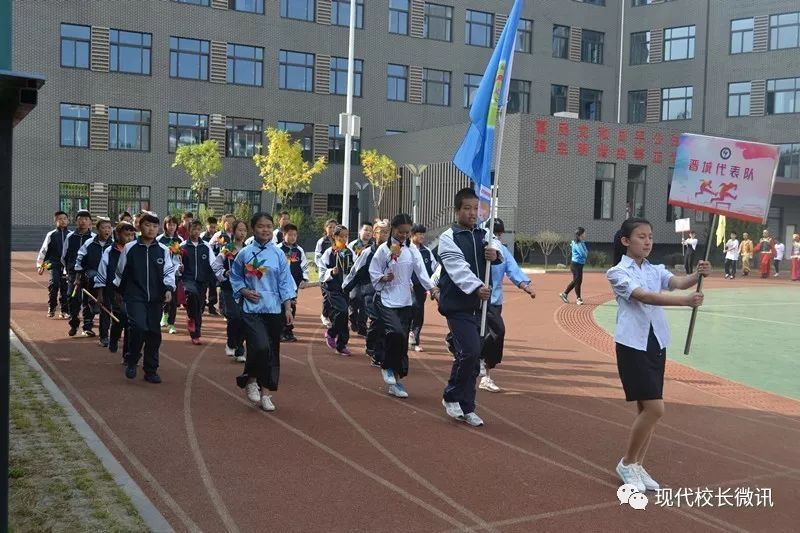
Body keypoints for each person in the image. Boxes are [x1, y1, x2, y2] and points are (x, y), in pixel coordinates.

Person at [606, 217, 710, 493]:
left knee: (646, 410)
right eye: (641, 237)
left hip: (656, 343)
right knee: (655, 409)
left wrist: (697, 275)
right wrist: (685, 302)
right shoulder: (617, 272)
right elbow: (645, 297)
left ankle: (638, 465)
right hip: (632, 346)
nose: (648, 241)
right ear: (626, 241)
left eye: (650, 236)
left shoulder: (654, 269)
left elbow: (678, 282)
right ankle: (627, 463)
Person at [437, 188, 501, 427]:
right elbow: (457, 268)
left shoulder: (484, 234)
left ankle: (467, 405)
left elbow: (497, 248)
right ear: (456, 211)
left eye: (476, 208)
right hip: (458, 305)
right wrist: (476, 287)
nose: (473, 213)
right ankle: (451, 396)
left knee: (475, 358)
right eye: (467, 208)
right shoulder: (448, 238)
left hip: (481, 307)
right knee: (470, 351)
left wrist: (495, 254)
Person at [229, 212, 296, 412]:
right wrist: (243, 291)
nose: (265, 230)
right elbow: (235, 277)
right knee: (259, 347)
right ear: (253, 228)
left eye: (268, 226)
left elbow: (285, 283)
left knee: (271, 351)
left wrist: (287, 307)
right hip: (252, 309)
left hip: (274, 309)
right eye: (260, 226)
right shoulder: (245, 253)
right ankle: (250, 380)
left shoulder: (278, 255)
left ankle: (266, 393)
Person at [368, 215, 436, 398]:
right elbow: (373, 272)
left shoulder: (413, 251)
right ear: (393, 229)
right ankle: (387, 366)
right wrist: (383, 278)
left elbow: (421, 272)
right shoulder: (383, 250)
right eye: (400, 232)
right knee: (396, 333)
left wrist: (432, 289)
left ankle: (396, 382)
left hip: (405, 300)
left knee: (402, 341)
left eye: (407, 232)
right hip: (386, 299)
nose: (404, 235)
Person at [114, 212, 177, 383]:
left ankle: (150, 370)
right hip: (135, 297)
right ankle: (132, 359)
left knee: (154, 333)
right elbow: (120, 272)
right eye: (148, 225)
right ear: (140, 227)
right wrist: (119, 292)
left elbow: (169, 273)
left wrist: (169, 289)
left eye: (155, 226)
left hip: (156, 299)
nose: (151, 229)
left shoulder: (163, 251)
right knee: (139, 327)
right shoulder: (130, 248)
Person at [479, 218, 535, 393]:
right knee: (477, 333)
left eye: (498, 234)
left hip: (494, 302)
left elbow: (512, 269)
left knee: (497, 333)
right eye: (493, 233)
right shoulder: (479, 249)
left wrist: (525, 286)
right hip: (476, 300)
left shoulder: (502, 252)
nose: (496, 237)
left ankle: (486, 372)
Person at [343, 219, 389, 367]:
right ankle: (374, 350)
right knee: (377, 319)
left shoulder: (394, 250)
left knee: (386, 323)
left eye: (386, 232)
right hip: (369, 290)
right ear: (375, 233)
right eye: (380, 231)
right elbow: (355, 271)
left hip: (388, 293)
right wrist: (345, 287)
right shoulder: (367, 252)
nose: (383, 234)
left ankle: (378, 349)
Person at [95, 221, 136, 357]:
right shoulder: (110, 251)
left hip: (132, 291)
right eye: (126, 235)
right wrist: (100, 293)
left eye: (132, 235)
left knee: (130, 321)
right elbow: (102, 272)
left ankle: (127, 354)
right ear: (117, 235)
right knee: (120, 318)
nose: (130, 238)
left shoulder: (136, 250)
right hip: (114, 291)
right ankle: (113, 337)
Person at [212, 219, 249, 362]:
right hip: (229, 289)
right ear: (233, 232)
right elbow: (216, 265)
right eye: (239, 229)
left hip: (245, 290)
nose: (242, 232)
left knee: (245, 319)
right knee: (234, 317)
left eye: (244, 230)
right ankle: (231, 343)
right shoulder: (227, 248)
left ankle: (239, 350)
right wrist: (224, 274)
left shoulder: (249, 250)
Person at [75, 218, 114, 346]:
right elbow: (80, 259)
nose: (107, 230)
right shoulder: (89, 243)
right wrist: (77, 277)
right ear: (98, 229)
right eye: (104, 227)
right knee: (93, 276)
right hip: (91, 272)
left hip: (108, 278)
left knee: (108, 307)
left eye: (109, 227)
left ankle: (108, 335)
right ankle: (93, 302)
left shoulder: (113, 245)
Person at [319, 226, 356, 355]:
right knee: (342, 310)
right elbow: (322, 270)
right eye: (341, 236)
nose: (343, 239)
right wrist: (331, 271)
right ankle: (331, 333)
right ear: (334, 237)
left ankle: (341, 344)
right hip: (332, 288)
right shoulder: (329, 253)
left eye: (346, 236)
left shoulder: (349, 252)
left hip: (344, 288)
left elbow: (354, 269)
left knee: (343, 316)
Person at [180, 220, 216, 345]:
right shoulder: (182, 246)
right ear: (189, 230)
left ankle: (192, 319)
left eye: (198, 229)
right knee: (192, 294)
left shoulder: (206, 246)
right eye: (193, 229)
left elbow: (214, 264)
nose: (196, 232)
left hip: (202, 281)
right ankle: (195, 334)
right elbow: (176, 262)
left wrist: (216, 277)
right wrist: (179, 269)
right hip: (187, 280)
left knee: (200, 308)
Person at [62, 209, 95, 337]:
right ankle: (74, 323)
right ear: (76, 221)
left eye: (86, 219)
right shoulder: (70, 237)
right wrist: (69, 269)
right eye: (80, 219)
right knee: (72, 297)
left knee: (88, 299)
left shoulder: (93, 238)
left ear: (90, 222)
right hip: (73, 273)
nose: (83, 221)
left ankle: (87, 326)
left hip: (89, 273)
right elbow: (64, 256)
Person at [409, 224, 438, 352]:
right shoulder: (405, 250)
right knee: (411, 308)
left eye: (422, 234)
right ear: (412, 235)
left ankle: (415, 340)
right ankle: (407, 334)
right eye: (419, 234)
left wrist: (432, 285)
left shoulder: (426, 251)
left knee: (419, 311)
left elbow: (434, 268)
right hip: (407, 286)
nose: (422, 236)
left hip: (421, 287)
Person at [278, 223, 309, 342]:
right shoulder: (278, 249)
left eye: (295, 235)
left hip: (293, 284)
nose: (292, 237)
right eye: (290, 235)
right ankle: (280, 331)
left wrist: (304, 279)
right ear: (283, 235)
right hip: (280, 284)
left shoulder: (299, 250)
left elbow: (304, 266)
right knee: (281, 307)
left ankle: (288, 330)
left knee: (292, 306)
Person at [37, 210, 70, 318]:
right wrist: (41, 266)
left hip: (66, 266)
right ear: (56, 221)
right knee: (54, 284)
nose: (63, 221)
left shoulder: (70, 235)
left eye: (65, 219)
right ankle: (52, 307)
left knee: (65, 287)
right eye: (60, 219)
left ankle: (64, 311)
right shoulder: (51, 234)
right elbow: (44, 251)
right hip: (52, 263)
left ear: (68, 220)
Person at [157, 216, 183, 335]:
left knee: (173, 299)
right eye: (169, 224)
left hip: (175, 273)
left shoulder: (179, 240)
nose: (172, 227)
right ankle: (164, 314)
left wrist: (179, 267)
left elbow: (180, 257)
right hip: (162, 273)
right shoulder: (159, 240)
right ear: (165, 225)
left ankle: (171, 323)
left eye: (174, 224)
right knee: (163, 297)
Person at [348, 222, 374, 335]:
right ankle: (352, 316)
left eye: (370, 230)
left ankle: (362, 327)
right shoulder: (353, 245)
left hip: (369, 278)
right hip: (355, 277)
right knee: (354, 297)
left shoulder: (374, 246)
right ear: (360, 231)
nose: (368, 232)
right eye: (366, 230)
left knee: (366, 302)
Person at [315, 218, 338, 328]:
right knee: (326, 295)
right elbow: (317, 256)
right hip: (325, 273)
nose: (332, 230)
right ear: (325, 228)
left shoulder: (338, 240)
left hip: (335, 273)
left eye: (334, 227)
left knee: (334, 295)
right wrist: (323, 267)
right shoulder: (322, 241)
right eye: (330, 227)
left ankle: (332, 315)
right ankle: (324, 315)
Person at [559, 227, 588, 305]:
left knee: (577, 281)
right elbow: (583, 254)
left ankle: (564, 294)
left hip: (579, 265)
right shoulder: (577, 243)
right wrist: (585, 253)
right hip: (576, 265)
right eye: (584, 233)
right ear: (580, 234)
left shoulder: (581, 242)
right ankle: (578, 299)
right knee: (577, 281)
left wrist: (585, 253)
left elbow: (586, 253)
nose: (585, 234)